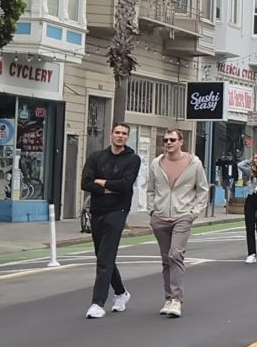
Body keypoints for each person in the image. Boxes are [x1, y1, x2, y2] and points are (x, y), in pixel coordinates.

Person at [146, 129, 209, 318]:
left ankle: (176, 300)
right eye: (165, 140)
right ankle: (168, 298)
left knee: (176, 254)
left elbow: (202, 189)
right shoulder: (156, 163)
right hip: (160, 217)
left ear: (181, 142)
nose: (168, 142)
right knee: (166, 259)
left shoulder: (194, 163)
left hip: (182, 216)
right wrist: (152, 210)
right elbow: (150, 189)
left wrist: (193, 212)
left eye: (172, 139)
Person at [81, 122, 141, 319]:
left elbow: (125, 186)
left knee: (105, 257)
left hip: (118, 210)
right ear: (111, 135)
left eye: (124, 133)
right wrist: (106, 188)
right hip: (98, 211)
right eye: (117, 132)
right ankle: (121, 293)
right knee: (103, 256)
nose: (120, 136)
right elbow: (86, 183)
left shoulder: (133, 159)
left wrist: (102, 182)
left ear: (127, 137)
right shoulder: (96, 157)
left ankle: (97, 303)